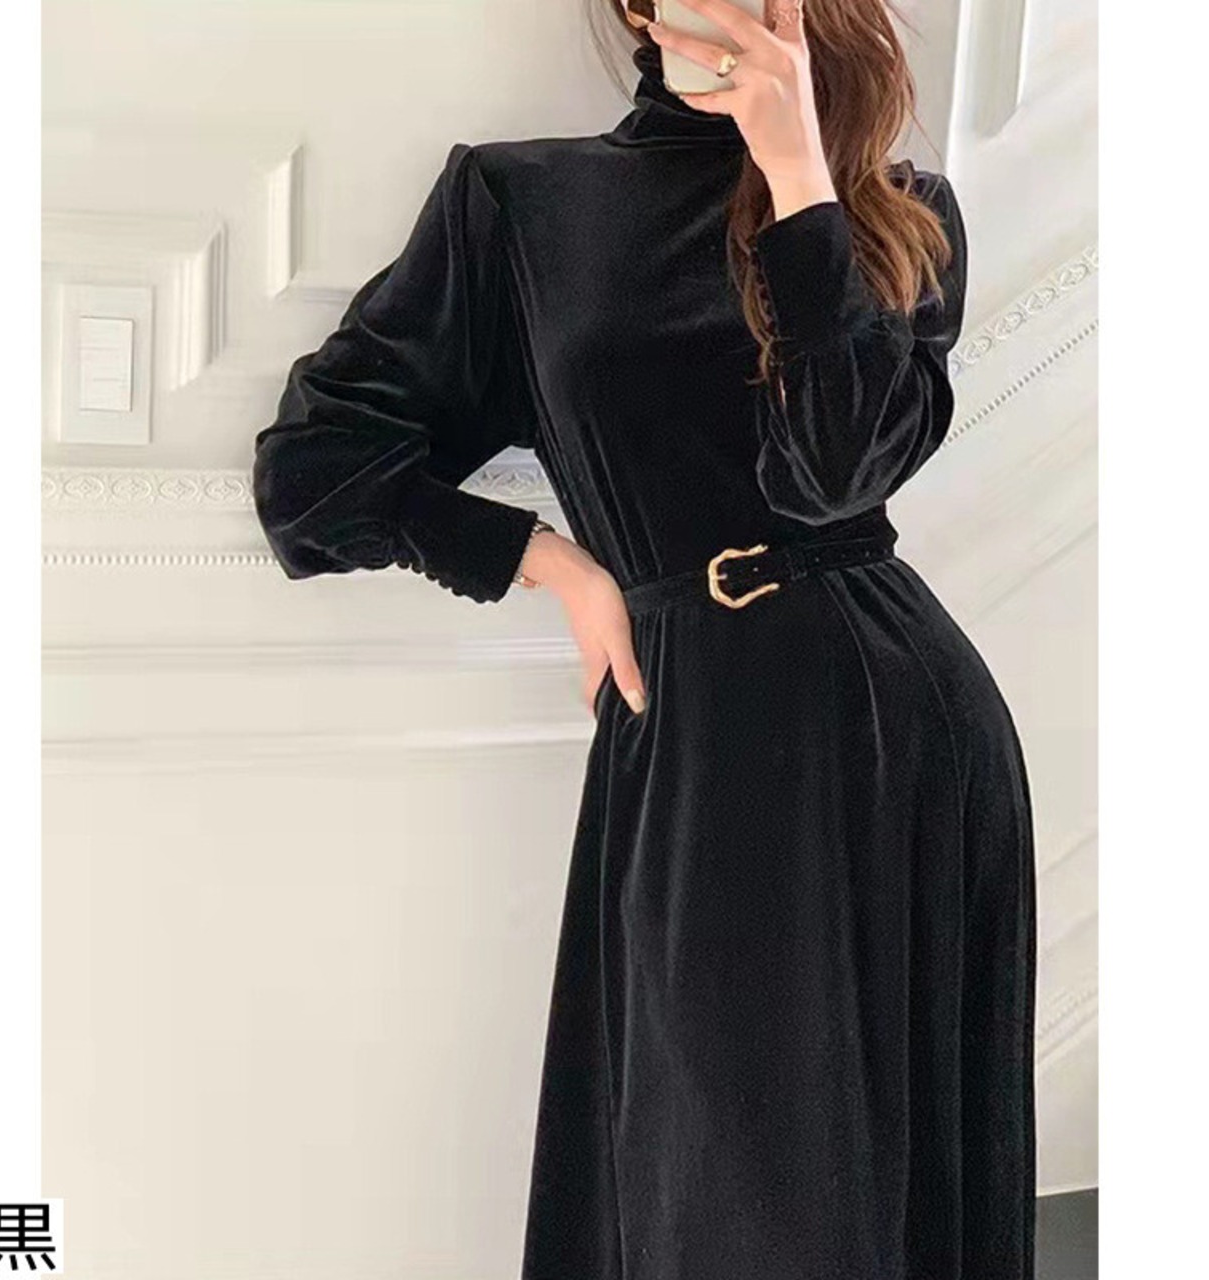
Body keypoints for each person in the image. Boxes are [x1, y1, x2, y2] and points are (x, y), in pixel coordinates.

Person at [251, 0, 1039, 1275]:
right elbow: (311, 471)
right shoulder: (522, 205)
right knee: (708, 1182)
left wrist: (797, 171)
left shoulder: (897, 214)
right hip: (693, 732)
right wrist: (549, 562)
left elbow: (833, 471)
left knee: (889, 1190)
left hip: (892, 728)